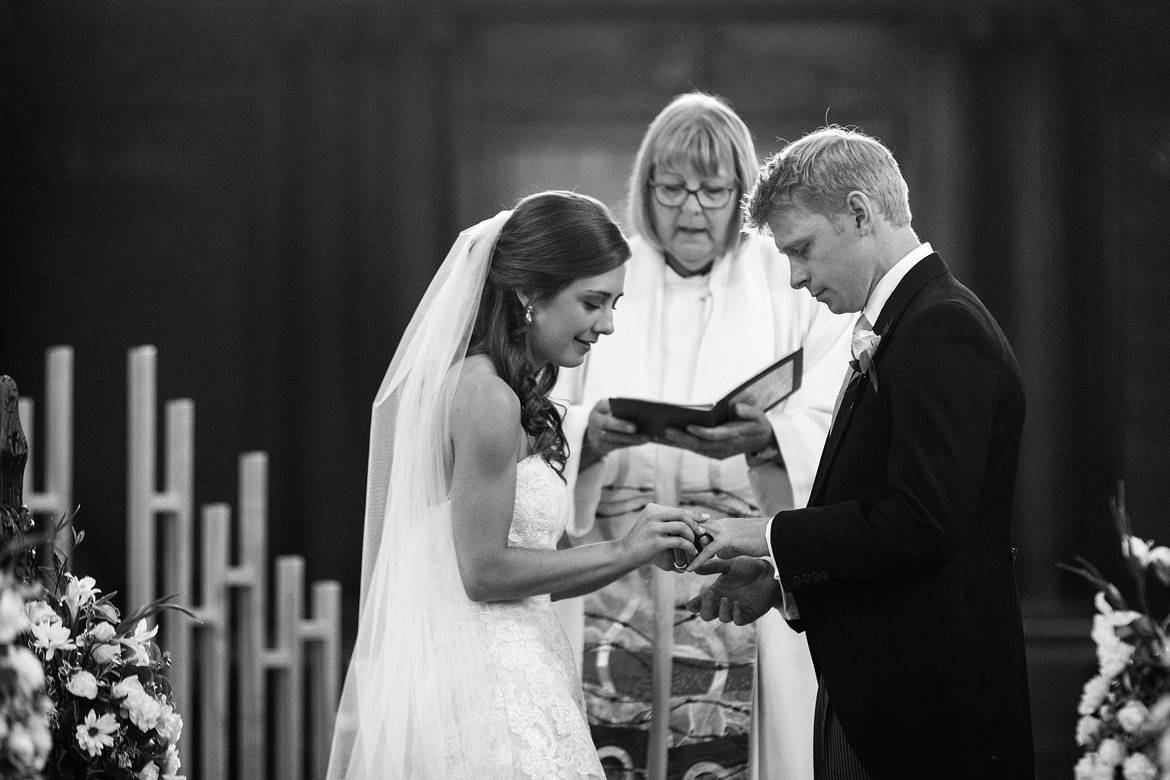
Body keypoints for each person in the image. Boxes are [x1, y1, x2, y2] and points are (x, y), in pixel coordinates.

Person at [686, 127, 1035, 778]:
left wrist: (766, 534)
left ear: (858, 212)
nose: (795, 278)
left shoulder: (940, 327)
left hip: (923, 706)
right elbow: (886, 515)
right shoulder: (907, 322)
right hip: (880, 684)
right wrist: (781, 581)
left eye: (803, 250)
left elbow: (924, 523)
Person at [326, 191, 709, 780]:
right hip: (488, 690)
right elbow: (482, 573)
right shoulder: (485, 395)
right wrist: (621, 549)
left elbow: (529, 575)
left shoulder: (508, 389)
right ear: (530, 294)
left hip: (522, 664)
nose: (606, 324)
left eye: (615, 303)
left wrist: (637, 552)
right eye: (592, 302)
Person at [552, 93, 852, 780]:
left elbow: (836, 408)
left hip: (738, 559)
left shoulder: (788, 278)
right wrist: (587, 436)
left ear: (742, 194)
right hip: (614, 562)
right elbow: (546, 402)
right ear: (645, 189)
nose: (692, 209)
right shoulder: (605, 275)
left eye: (714, 191)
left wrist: (765, 435)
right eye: (673, 188)